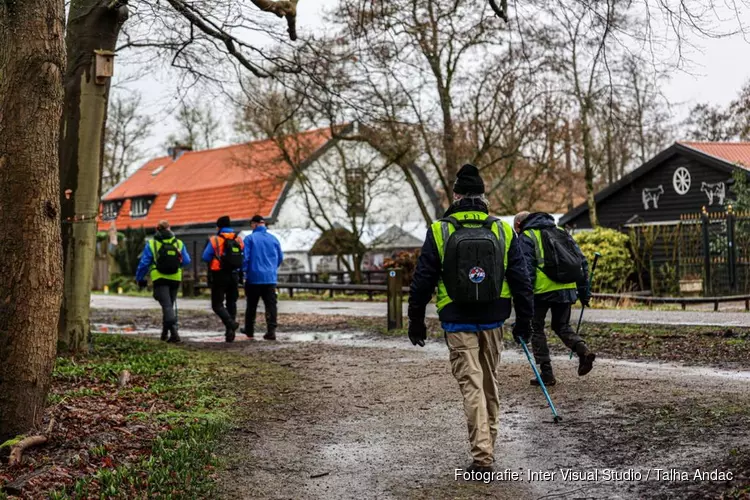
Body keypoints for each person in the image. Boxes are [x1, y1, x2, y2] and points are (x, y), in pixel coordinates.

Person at [409, 164, 534, 474]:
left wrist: (415, 318)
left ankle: (482, 457)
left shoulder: (440, 229)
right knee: (490, 384)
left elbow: (423, 279)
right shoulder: (503, 229)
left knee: (472, 386)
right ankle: (487, 444)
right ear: (483, 196)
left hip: (457, 319)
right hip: (494, 319)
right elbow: (521, 279)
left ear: (456, 195)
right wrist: (525, 321)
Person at [514, 211, 596, 387]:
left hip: (541, 291)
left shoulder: (527, 235)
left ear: (519, 225)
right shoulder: (561, 231)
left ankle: (546, 374)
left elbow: (526, 270)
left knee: (536, 328)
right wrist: (583, 292)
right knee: (562, 326)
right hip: (567, 287)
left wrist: (524, 297)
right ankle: (582, 349)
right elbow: (581, 262)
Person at [136, 220, 191, 343]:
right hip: (175, 277)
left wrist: (139, 278)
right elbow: (186, 261)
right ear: (169, 228)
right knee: (168, 306)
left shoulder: (152, 244)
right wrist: (175, 265)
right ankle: (166, 334)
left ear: (157, 229)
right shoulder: (179, 243)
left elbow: (144, 263)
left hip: (159, 278)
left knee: (166, 306)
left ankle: (174, 333)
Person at [202, 215, 244, 342]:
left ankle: (231, 324)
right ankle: (230, 333)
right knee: (232, 303)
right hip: (234, 275)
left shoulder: (215, 240)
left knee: (217, 304)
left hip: (219, 274)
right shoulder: (239, 239)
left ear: (218, 227)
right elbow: (243, 257)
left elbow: (205, 257)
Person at [241, 215, 284, 340]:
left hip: (253, 277)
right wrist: (271, 269)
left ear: (254, 224)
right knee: (271, 305)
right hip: (270, 278)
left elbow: (245, 258)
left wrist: (243, 271)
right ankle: (271, 330)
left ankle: (249, 330)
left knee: (251, 305)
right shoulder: (274, 239)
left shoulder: (249, 239)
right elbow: (280, 257)